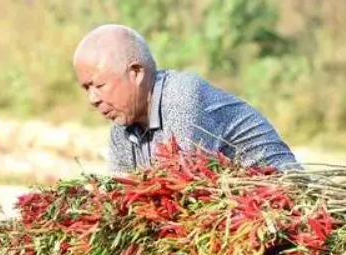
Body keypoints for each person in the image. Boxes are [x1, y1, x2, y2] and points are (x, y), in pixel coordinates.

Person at [73, 24, 301, 172]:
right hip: (222, 212)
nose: (93, 98)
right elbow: (120, 195)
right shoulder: (122, 130)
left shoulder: (181, 96)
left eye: (100, 85)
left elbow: (181, 186)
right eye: (86, 88)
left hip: (280, 199)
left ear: (136, 72)